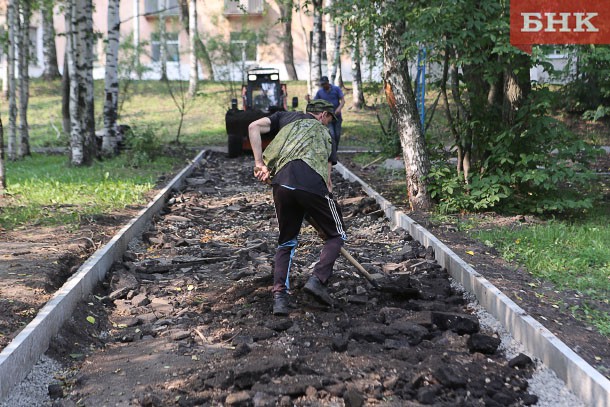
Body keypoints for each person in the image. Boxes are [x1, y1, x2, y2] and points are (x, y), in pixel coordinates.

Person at [248, 99, 348, 316]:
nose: (328, 124)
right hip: (312, 186)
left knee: (287, 241)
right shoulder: (325, 136)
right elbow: (327, 183)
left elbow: (253, 127)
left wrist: (259, 163)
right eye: (329, 119)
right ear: (322, 115)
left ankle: (280, 298)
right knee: (337, 235)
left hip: (282, 184)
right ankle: (318, 280)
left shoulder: (284, 117)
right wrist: (324, 220)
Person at [313, 76, 345, 164]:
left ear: (328, 83)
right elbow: (315, 103)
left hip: (337, 116)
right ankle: (332, 154)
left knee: (337, 135)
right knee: (332, 135)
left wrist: (339, 108)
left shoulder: (336, 89)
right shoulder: (320, 92)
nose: (324, 86)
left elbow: (342, 100)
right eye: (322, 85)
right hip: (328, 118)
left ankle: (335, 151)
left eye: (325, 84)